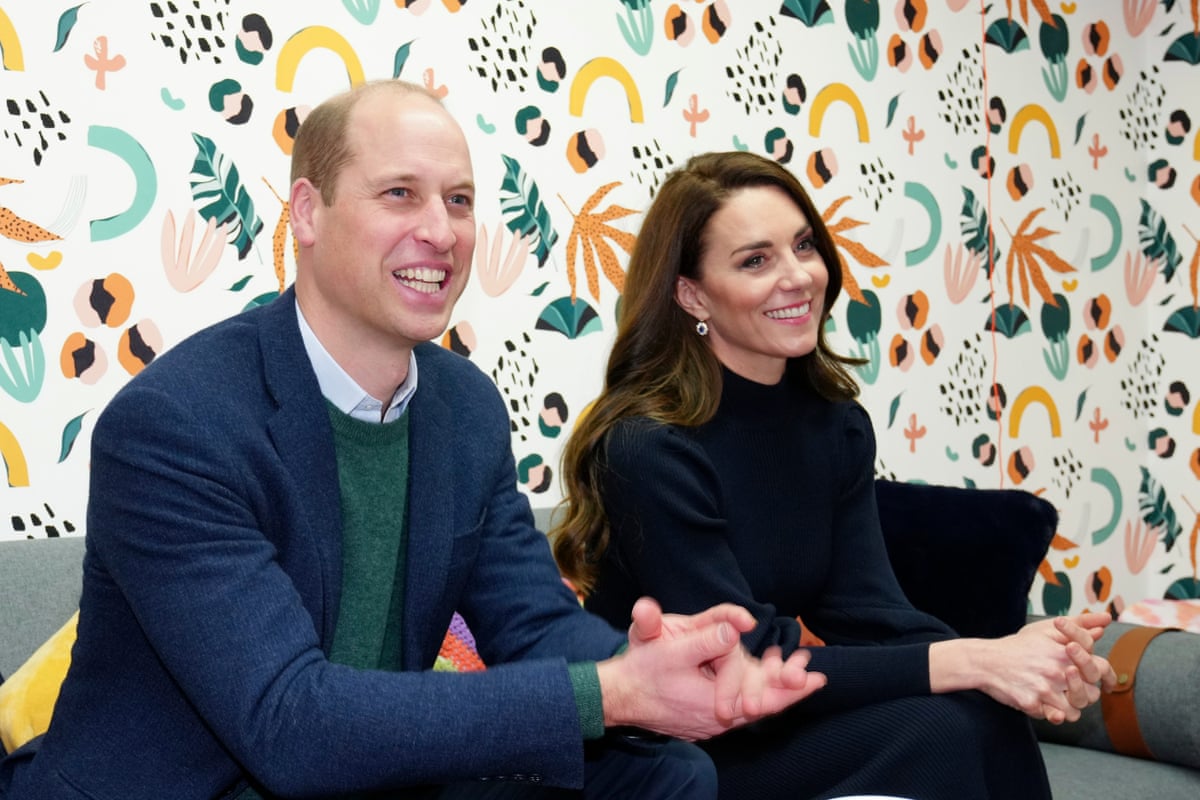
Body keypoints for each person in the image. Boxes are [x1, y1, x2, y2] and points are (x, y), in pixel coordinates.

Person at [0, 84, 826, 800]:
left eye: (459, 201)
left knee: (664, 775)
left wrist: (655, 668)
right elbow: (290, 723)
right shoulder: (177, 424)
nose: (441, 230)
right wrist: (610, 693)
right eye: (400, 194)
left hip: (370, 779)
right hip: (197, 785)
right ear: (307, 213)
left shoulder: (464, 408)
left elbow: (535, 624)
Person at [551, 150, 1119, 800]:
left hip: (774, 712)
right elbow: (745, 656)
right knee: (941, 730)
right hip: (672, 751)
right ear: (693, 294)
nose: (798, 276)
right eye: (755, 260)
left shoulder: (834, 426)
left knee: (984, 709)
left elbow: (872, 614)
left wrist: (1015, 661)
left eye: (803, 246)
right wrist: (974, 660)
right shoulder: (647, 447)